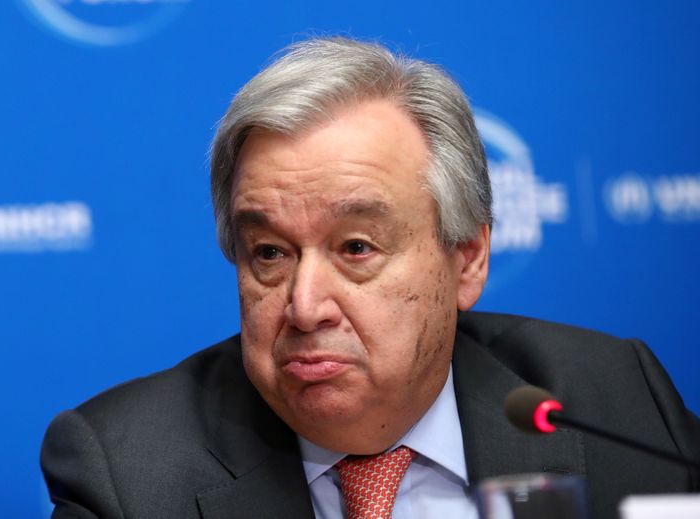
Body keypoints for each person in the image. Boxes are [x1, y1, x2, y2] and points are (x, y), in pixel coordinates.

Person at [41, 37, 700, 519]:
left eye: (356, 247)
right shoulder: (126, 475)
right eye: (268, 253)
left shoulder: (612, 401)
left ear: (466, 258)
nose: (303, 307)